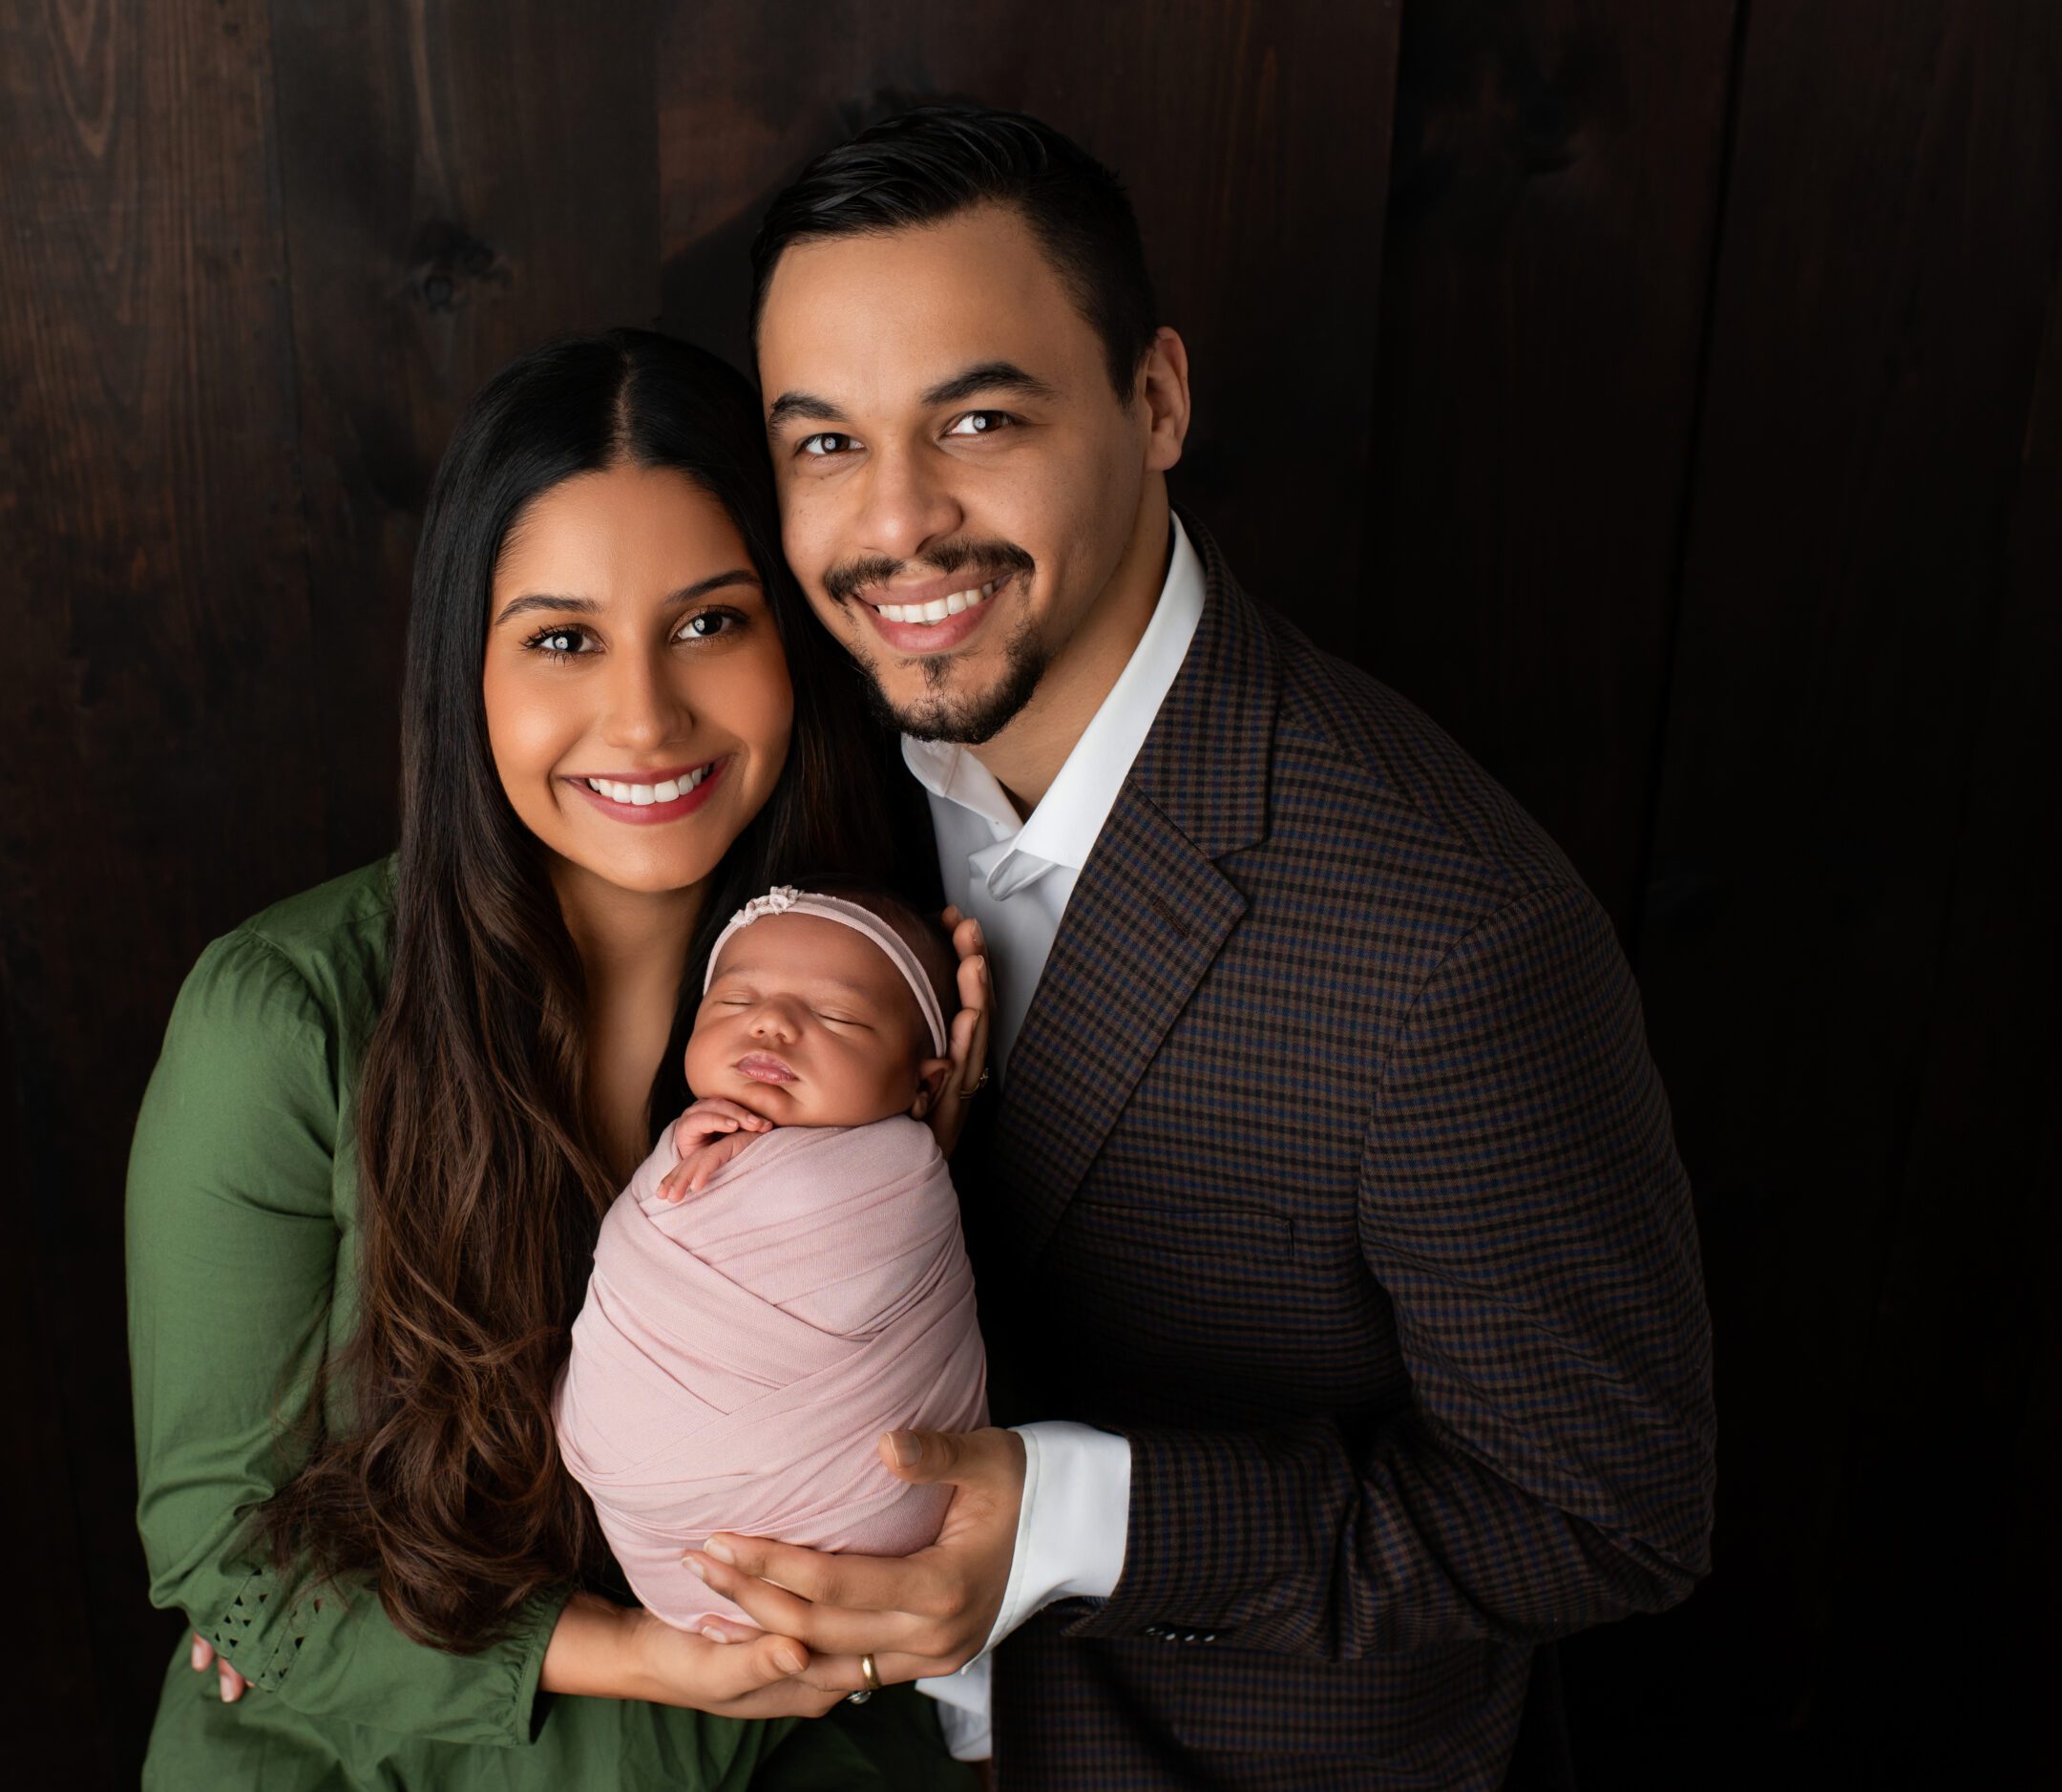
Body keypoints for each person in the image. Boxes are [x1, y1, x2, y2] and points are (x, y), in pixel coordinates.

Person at [676, 104, 1719, 1789]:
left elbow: (1603, 1514)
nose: (896, 526)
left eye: (978, 418)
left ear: (1155, 400)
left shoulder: (1456, 940)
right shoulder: (806, 779)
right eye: (825, 444)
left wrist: (1092, 1523)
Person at [124, 329, 984, 1788]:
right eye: (563, 638)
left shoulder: (886, 1015)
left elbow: (948, 1469)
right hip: (378, 1757)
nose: (645, 718)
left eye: (711, 621)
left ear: (795, 635)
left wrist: (899, 1191)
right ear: (467, 665)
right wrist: (651, 1656)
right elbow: (232, 1565)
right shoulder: (284, 1020)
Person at [557, 882, 988, 1634]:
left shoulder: (900, 1174)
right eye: (732, 1002)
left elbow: (815, 1219)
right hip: (653, 1531)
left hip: (858, 1513)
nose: (771, 1022)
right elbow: (639, 1244)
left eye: (837, 1015)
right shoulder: (695, 1140)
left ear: (926, 1085)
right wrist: (678, 1151)